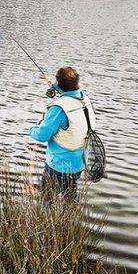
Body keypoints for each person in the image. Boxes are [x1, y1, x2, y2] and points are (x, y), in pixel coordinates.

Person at [28, 66, 95, 201]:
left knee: (46, 200)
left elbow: (41, 135)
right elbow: (68, 94)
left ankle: (48, 220)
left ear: (59, 83)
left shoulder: (59, 108)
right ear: (77, 83)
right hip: (79, 163)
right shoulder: (85, 99)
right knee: (69, 195)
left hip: (58, 165)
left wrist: (31, 130)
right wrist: (56, 87)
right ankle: (72, 215)